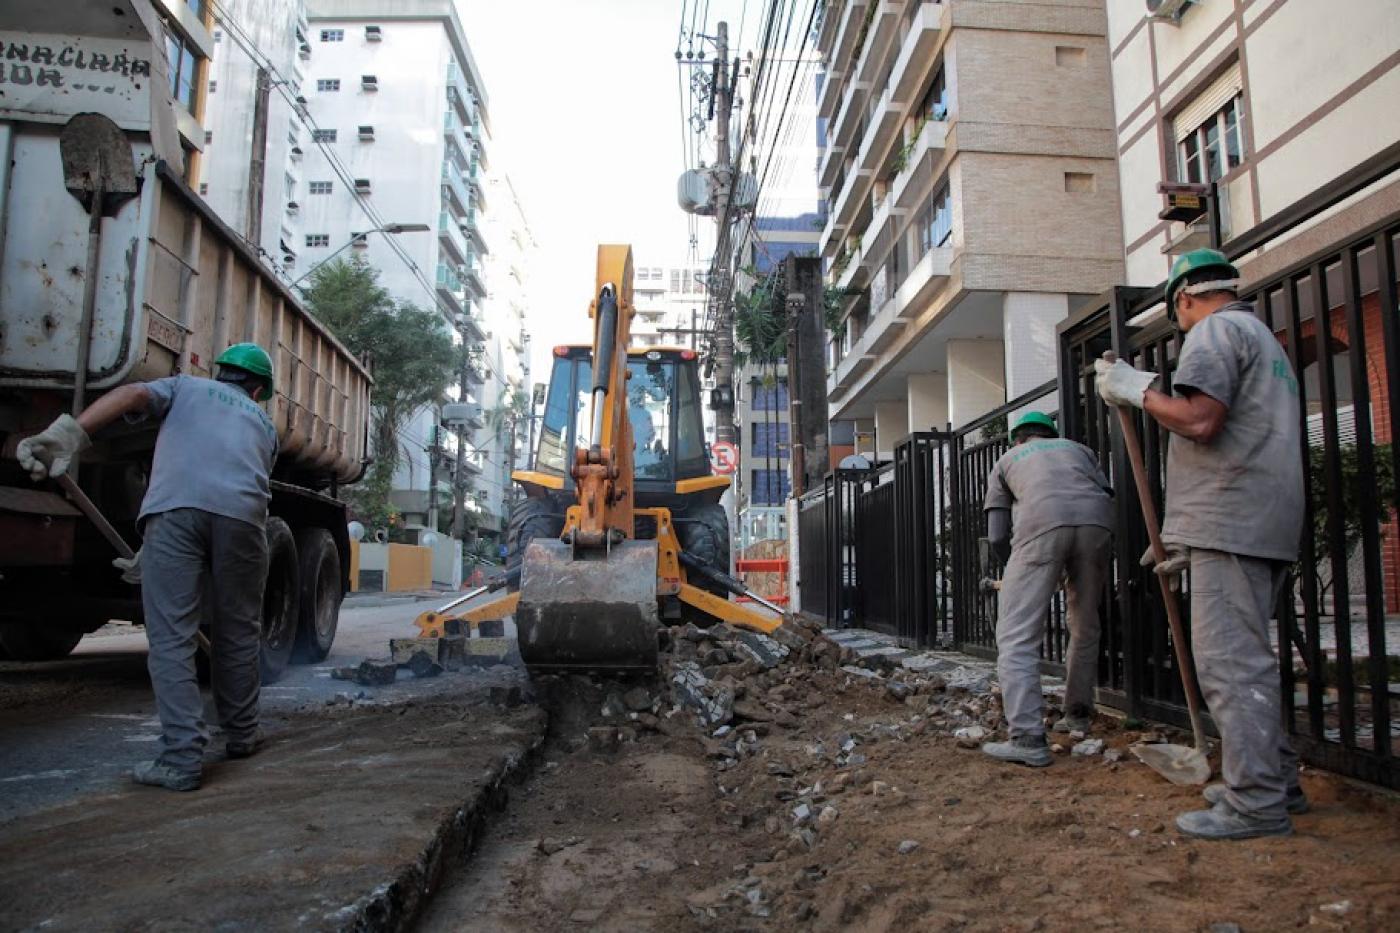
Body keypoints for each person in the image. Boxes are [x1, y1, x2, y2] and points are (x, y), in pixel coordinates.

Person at [1095, 248, 1306, 840]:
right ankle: (1276, 779)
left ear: (1184, 298)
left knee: (1231, 665)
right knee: (1248, 659)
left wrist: (1134, 389)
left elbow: (1199, 420)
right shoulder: (1264, 339)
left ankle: (1257, 802)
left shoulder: (1214, 330)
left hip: (1231, 519)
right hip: (1259, 520)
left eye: (1177, 313)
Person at [17, 344, 279, 792]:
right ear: (258, 389)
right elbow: (233, 481)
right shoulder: (264, 425)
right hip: (244, 522)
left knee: (172, 637)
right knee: (238, 630)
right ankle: (242, 733)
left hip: (175, 514)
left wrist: (68, 435)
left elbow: (134, 394)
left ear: (221, 374)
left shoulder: (187, 387)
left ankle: (180, 759)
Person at [980, 411, 1114, 767]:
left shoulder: (1007, 459)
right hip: (1097, 525)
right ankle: (1078, 714)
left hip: (1040, 525)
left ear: (1019, 439)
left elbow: (996, 534)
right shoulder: (1080, 450)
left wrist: (1016, 569)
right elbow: (1103, 493)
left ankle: (1026, 737)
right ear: (1051, 434)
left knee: (1016, 636)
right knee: (1085, 624)